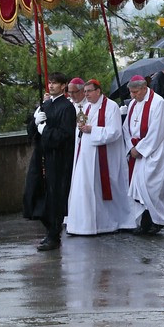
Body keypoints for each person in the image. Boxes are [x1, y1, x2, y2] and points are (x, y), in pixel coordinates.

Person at [66, 78, 132, 235]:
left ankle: (106, 224)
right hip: (85, 156)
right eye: (85, 91)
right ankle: (82, 224)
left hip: (104, 157)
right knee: (84, 189)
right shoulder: (86, 107)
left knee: (102, 189)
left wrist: (92, 130)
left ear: (98, 91)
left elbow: (115, 131)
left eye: (89, 91)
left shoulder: (111, 107)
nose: (86, 94)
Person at [23, 72, 76, 251]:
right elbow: (31, 131)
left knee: (55, 196)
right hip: (41, 156)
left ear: (63, 86)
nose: (51, 86)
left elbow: (64, 135)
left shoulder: (67, 108)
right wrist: (35, 122)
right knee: (36, 191)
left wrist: (45, 130)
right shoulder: (45, 104)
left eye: (55, 83)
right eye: (49, 83)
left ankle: (54, 234)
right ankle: (48, 228)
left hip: (58, 158)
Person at [124, 75, 164, 235]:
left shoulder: (158, 103)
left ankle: (159, 220)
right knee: (139, 189)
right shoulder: (133, 103)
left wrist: (140, 149)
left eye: (135, 92)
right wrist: (131, 146)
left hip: (153, 152)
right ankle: (146, 222)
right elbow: (126, 128)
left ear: (144, 88)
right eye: (131, 92)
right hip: (136, 150)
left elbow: (157, 131)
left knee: (149, 187)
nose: (132, 96)